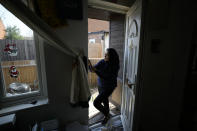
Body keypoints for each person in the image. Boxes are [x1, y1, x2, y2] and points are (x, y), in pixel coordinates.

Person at [88, 48, 120, 125]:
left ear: (112, 56)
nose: (104, 55)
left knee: (96, 103)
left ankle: (108, 115)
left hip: (109, 87)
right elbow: (93, 69)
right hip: (101, 85)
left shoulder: (115, 66)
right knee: (105, 101)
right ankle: (106, 115)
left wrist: (95, 70)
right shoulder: (102, 61)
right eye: (105, 54)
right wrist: (90, 65)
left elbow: (106, 76)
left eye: (107, 54)